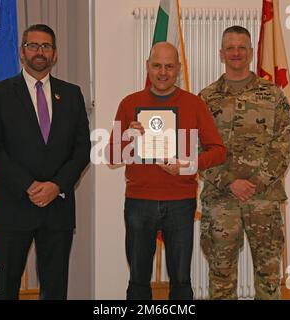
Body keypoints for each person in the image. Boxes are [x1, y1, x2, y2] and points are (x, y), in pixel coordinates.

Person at [0, 24, 91, 300]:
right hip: (12, 207)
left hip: (57, 208)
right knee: (2, 289)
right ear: (21, 51)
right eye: (33, 46)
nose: (40, 52)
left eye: (46, 46)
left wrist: (56, 185)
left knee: (55, 289)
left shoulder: (72, 94)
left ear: (55, 54)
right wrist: (28, 185)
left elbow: (82, 149)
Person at [107, 42, 226, 300]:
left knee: (181, 280)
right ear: (147, 67)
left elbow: (218, 150)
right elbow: (111, 156)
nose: (163, 72)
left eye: (169, 66)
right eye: (157, 65)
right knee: (138, 279)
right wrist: (128, 134)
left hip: (181, 203)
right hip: (139, 202)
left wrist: (189, 165)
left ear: (179, 70)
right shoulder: (130, 103)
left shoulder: (194, 103)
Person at [198, 26, 290, 300]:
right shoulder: (205, 98)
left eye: (242, 47)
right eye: (230, 47)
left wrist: (256, 182)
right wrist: (230, 183)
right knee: (221, 277)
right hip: (221, 201)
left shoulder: (273, 94)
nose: (236, 53)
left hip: (263, 198)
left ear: (251, 53)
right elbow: (197, 149)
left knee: (269, 278)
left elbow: (283, 144)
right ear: (221, 53)